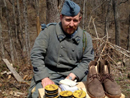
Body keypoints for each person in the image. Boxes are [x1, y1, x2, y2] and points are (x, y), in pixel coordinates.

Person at [28, 0, 94, 97]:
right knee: (38, 94)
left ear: (79, 19)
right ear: (61, 18)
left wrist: (72, 75)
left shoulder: (85, 37)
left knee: (90, 92)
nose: (71, 24)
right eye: (68, 20)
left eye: (75, 20)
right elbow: (36, 55)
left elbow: (88, 60)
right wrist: (44, 77)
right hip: (49, 73)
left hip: (75, 74)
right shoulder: (48, 32)